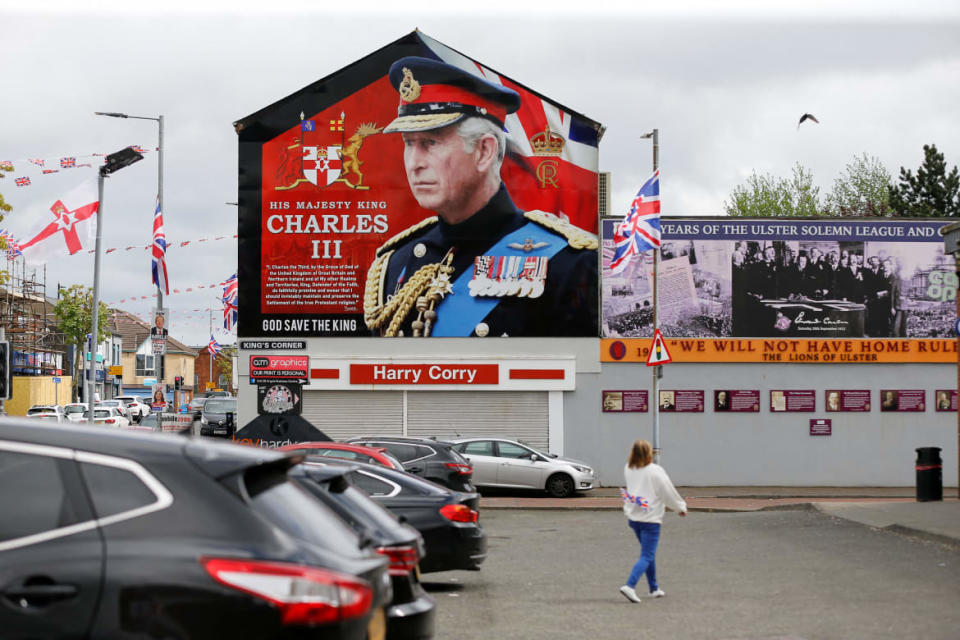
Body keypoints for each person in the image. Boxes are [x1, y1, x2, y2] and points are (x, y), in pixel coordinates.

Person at [363, 57, 598, 338]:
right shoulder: (396, 263)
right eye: (409, 144)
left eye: (430, 143)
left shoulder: (569, 263)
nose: (414, 163)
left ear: (485, 152)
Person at [619, 439, 686, 604]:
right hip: (651, 519)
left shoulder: (629, 468)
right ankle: (630, 585)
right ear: (649, 453)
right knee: (647, 555)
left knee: (648, 553)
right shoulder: (655, 471)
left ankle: (654, 588)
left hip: (634, 517)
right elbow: (667, 492)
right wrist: (680, 508)